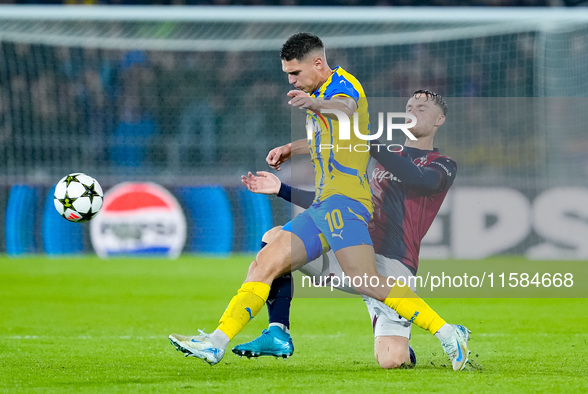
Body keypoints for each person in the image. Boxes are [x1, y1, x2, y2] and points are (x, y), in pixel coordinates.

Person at [169, 34, 469, 371]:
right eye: (287, 74)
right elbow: (323, 136)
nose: (291, 81)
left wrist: (315, 105)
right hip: (325, 206)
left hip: (347, 205)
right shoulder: (318, 96)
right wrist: (290, 148)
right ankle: (222, 341)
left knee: (367, 282)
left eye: (295, 73)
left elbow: (346, 108)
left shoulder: (343, 86)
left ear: (317, 64)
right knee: (266, 259)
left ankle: (447, 331)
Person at [234, 90, 460, 369]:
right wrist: (282, 188)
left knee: (392, 361)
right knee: (275, 239)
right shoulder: (383, 155)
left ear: (440, 120)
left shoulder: (443, 164)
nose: (412, 111)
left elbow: (419, 179)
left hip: (393, 266)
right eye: (409, 106)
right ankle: (279, 330)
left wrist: (366, 141)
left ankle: (401, 334)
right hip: (353, 253)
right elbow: (335, 203)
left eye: (421, 108)